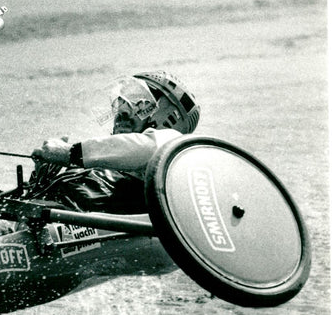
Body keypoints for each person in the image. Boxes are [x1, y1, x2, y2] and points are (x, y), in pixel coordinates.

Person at [24, 70, 201, 215]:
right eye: (121, 101)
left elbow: (147, 148)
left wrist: (71, 153)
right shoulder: (102, 161)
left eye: (137, 103)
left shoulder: (171, 144)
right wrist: (40, 180)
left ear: (168, 115)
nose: (122, 111)